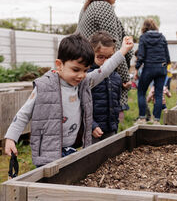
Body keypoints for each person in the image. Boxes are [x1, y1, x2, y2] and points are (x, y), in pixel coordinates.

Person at [4, 34, 133, 166]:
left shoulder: (84, 83)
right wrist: (11, 138)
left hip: (71, 148)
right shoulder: (45, 87)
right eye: (76, 69)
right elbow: (23, 114)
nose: (81, 75)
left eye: (85, 70)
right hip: (48, 152)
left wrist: (123, 50)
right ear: (59, 64)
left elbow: (105, 70)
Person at [76, 0, 132, 112]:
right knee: (105, 118)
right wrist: (125, 78)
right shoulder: (103, 7)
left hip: (87, 66)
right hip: (100, 69)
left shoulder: (87, 7)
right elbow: (116, 47)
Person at [88, 31, 124, 144]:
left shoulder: (116, 77)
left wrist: (115, 124)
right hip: (92, 131)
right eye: (100, 57)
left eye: (110, 57)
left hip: (110, 129)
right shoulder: (88, 77)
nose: (106, 62)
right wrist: (91, 125)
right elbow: (82, 106)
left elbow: (116, 102)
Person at [134, 18, 170, 125]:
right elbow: (167, 56)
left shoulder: (143, 37)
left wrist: (136, 69)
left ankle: (142, 118)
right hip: (161, 68)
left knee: (141, 91)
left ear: (144, 27)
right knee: (158, 94)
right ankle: (156, 120)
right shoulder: (162, 37)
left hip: (149, 68)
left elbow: (140, 56)